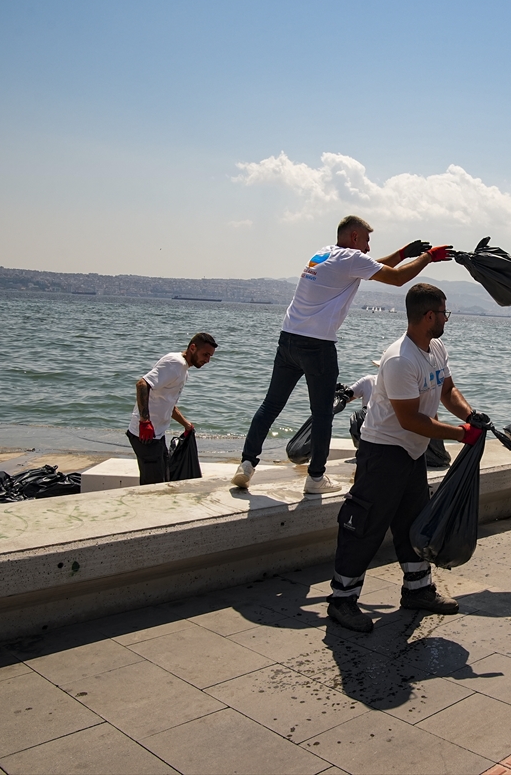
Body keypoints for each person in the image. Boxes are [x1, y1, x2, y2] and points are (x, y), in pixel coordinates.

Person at [232, 216, 452, 494]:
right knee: (322, 413)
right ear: (355, 237)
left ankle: (247, 464)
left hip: (288, 339)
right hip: (318, 346)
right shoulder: (350, 258)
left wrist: (403, 253)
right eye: (367, 240)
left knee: (270, 405)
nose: (369, 248)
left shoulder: (322, 254)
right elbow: (396, 279)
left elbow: (370, 266)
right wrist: (428, 257)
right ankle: (315, 479)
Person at [326, 283, 489, 633]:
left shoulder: (435, 348)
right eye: (444, 313)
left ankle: (418, 590)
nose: (447, 318)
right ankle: (342, 601)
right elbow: (410, 419)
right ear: (429, 316)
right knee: (364, 526)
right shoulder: (401, 359)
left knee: (413, 523)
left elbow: (447, 390)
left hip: (411, 452)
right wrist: (461, 435)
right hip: (383, 451)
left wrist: (469, 416)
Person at [127, 333, 218, 485]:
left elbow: (168, 404)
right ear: (193, 348)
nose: (207, 360)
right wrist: (144, 422)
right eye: (205, 354)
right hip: (144, 435)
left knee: (163, 480)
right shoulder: (174, 363)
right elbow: (142, 384)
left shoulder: (183, 371)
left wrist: (186, 424)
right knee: (153, 487)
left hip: (157, 434)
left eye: (210, 356)